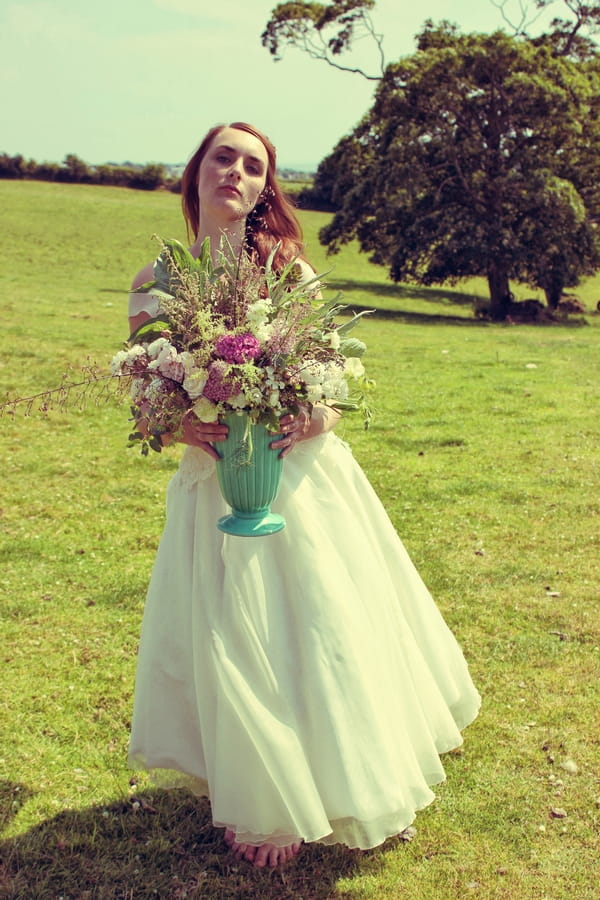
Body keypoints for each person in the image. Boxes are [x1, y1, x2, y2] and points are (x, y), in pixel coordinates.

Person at [127, 121, 481, 869]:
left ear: (263, 190)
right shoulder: (154, 282)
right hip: (211, 487)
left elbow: (335, 382)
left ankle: (341, 781)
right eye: (223, 158)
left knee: (319, 633)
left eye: (253, 166)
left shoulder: (289, 272)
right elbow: (143, 408)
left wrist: (315, 412)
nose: (235, 172)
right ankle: (259, 794)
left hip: (300, 480)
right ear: (195, 173)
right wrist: (177, 425)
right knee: (231, 633)